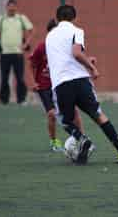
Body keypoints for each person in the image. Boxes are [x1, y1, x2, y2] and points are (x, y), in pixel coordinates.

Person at [45, 5, 118, 164]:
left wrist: (86, 60)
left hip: (62, 83)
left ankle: (82, 139)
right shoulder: (77, 30)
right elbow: (76, 53)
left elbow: (65, 57)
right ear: (74, 18)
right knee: (98, 115)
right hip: (81, 80)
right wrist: (92, 67)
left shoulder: (49, 36)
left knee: (64, 120)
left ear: (56, 19)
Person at [28, 18, 84, 152]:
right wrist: (33, 82)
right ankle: (54, 141)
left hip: (60, 83)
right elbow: (31, 64)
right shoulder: (42, 47)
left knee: (74, 111)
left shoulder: (65, 46)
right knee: (52, 114)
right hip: (45, 86)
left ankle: (81, 138)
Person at [0, 0, 34, 105]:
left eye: (13, 7)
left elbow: (31, 31)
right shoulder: (1, 19)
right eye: (9, 7)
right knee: (4, 78)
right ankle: (3, 100)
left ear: (16, 7)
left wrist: (26, 44)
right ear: (6, 7)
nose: (11, 9)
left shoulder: (21, 18)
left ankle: (21, 99)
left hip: (18, 53)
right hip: (5, 54)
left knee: (20, 77)